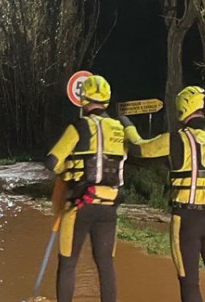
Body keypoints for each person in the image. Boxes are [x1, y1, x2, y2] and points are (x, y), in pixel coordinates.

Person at [130, 86, 205, 302]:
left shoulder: (176, 139)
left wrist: (127, 126)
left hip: (187, 221)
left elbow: (140, 149)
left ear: (182, 108)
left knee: (189, 282)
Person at [44, 74, 146, 302]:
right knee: (105, 264)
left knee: (68, 263)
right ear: (106, 100)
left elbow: (51, 162)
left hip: (79, 206)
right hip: (109, 207)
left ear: (83, 99)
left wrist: (66, 170)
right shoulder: (120, 128)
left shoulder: (78, 126)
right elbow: (136, 150)